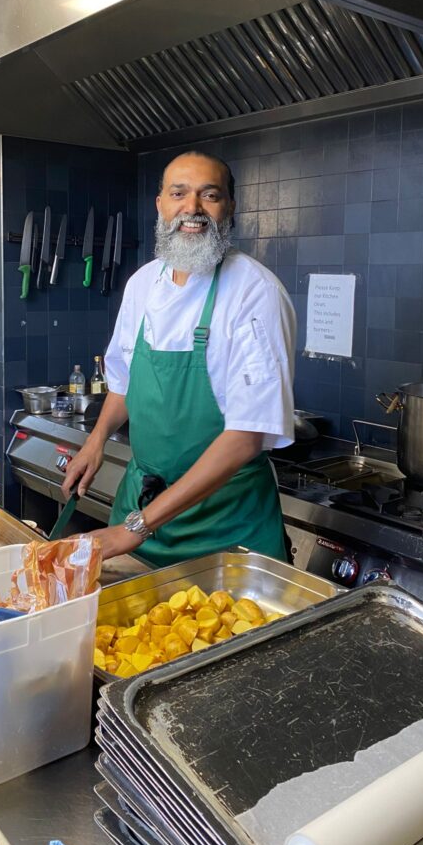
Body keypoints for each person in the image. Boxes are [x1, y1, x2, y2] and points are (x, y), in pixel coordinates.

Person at [61, 151, 296, 565]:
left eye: (210, 195)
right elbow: (123, 381)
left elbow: (246, 437)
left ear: (230, 207)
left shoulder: (254, 292)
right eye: (179, 193)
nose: (193, 208)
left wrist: (136, 527)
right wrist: (94, 443)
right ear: (160, 204)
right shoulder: (142, 284)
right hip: (142, 508)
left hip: (225, 531)